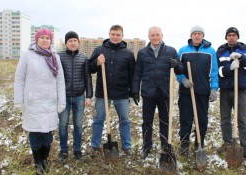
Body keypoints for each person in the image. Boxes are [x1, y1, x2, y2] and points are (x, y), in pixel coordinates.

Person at [14, 28, 66, 175]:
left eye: (47, 38)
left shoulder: (55, 57)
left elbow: (60, 81)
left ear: (51, 41)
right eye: (42, 37)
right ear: (37, 39)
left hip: (50, 102)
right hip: (33, 102)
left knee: (47, 134)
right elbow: (19, 79)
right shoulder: (27, 56)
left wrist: (61, 101)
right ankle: (38, 162)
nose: (45, 40)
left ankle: (45, 160)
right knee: (36, 134)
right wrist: (19, 100)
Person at [132, 26, 183, 159]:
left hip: (164, 92)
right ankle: (146, 146)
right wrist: (135, 89)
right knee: (147, 121)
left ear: (162, 35)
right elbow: (137, 73)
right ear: (149, 37)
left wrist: (176, 64)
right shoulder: (143, 53)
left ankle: (165, 146)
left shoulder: (171, 51)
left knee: (165, 121)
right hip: (148, 92)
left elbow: (181, 69)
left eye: (157, 35)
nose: (155, 37)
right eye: (152, 35)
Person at [88, 25, 135, 156]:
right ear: (109, 34)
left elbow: (132, 75)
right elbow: (90, 69)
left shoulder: (128, 54)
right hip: (103, 93)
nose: (115, 37)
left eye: (118, 34)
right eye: (113, 34)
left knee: (124, 120)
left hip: (122, 93)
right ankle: (94, 145)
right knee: (99, 119)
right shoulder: (99, 50)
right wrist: (97, 62)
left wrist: (132, 93)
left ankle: (127, 146)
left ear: (122, 36)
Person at [216, 27, 246, 164]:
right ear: (226, 37)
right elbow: (218, 71)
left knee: (242, 120)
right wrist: (229, 68)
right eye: (229, 35)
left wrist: (242, 58)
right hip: (226, 90)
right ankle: (228, 144)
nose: (232, 37)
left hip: (239, 90)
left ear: (237, 37)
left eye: (234, 35)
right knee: (225, 119)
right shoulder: (221, 51)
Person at [176, 25, 218, 156]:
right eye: (194, 33)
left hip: (203, 91)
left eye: (200, 33)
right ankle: (184, 143)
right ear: (191, 36)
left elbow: (214, 71)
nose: (197, 36)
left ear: (203, 36)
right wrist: (183, 79)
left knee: (202, 120)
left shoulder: (210, 51)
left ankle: (199, 143)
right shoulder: (183, 51)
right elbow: (178, 69)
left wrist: (214, 89)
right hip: (186, 92)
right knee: (185, 119)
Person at [58, 31, 93, 161]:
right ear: (66, 43)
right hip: (63, 97)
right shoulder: (59, 56)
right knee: (63, 124)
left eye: (75, 41)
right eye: (70, 41)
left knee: (78, 124)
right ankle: (63, 150)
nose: (73, 43)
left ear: (78, 42)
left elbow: (87, 77)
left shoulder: (84, 57)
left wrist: (88, 96)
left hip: (79, 97)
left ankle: (77, 150)